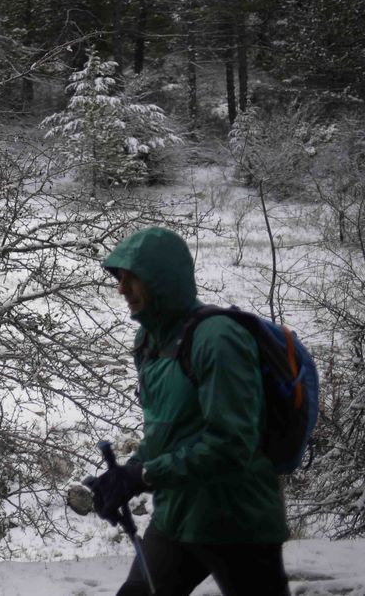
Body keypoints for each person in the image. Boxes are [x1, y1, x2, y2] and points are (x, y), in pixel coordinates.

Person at [89, 226, 291, 596]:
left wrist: (144, 476)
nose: (121, 289)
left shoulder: (218, 340)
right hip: (177, 518)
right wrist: (123, 476)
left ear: (162, 280)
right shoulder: (149, 341)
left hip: (238, 522)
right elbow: (169, 432)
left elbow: (231, 445)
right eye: (120, 278)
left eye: (133, 278)